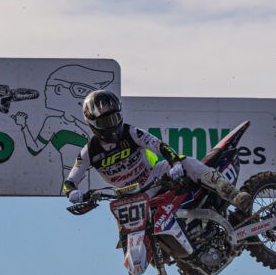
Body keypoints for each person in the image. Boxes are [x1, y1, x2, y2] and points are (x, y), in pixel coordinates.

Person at [62, 89, 252, 212]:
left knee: (186, 161)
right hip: (127, 196)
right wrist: (72, 193)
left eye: (114, 118)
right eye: (105, 122)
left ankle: (232, 193)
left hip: (153, 178)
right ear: (93, 125)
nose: (112, 125)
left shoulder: (131, 132)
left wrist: (175, 162)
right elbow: (70, 181)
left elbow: (159, 145)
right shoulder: (89, 151)